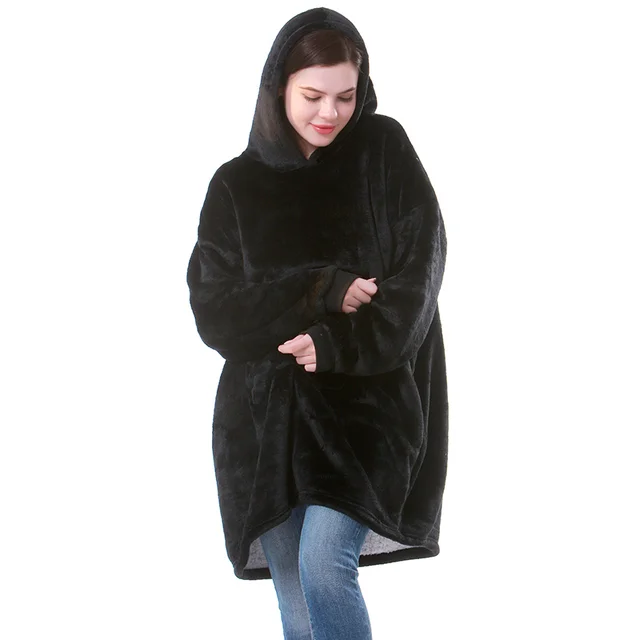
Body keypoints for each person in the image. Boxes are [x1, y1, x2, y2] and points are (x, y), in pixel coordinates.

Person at [186, 7, 448, 640]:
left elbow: (418, 280)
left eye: (345, 96)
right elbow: (215, 311)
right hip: (262, 427)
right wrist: (320, 288)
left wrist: (334, 344)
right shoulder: (234, 185)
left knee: (324, 566)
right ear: (279, 86)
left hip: (367, 412)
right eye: (313, 96)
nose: (330, 113)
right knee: (296, 597)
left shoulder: (383, 151)